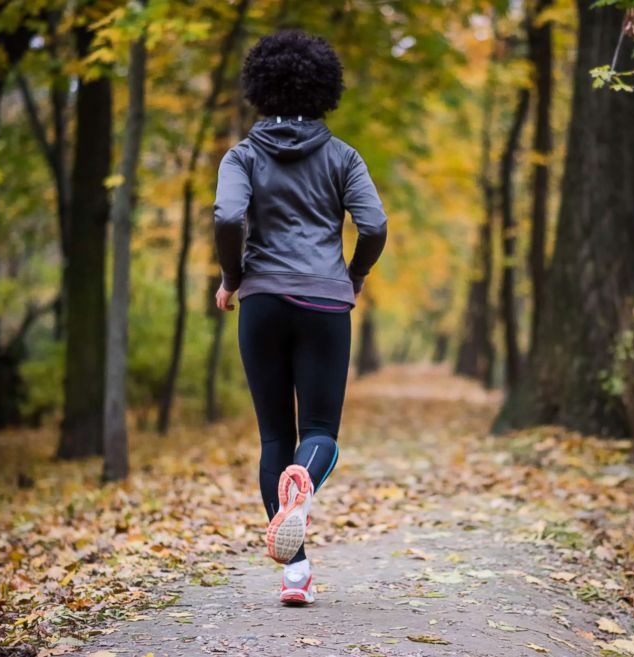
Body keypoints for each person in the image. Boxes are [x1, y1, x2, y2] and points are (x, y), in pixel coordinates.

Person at [212, 29, 387, 606]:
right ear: (323, 90)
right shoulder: (344, 157)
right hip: (324, 304)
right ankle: (304, 489)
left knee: (272, 437)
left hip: (260, 302)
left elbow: (227, 217)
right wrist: (353, 275)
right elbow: (376, 225)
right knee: (318, 432)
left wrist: (233, 279)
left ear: (260, 89)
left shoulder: (241, 156)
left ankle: (295, 577)